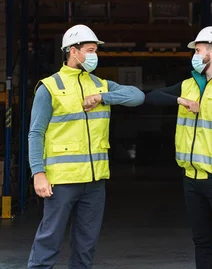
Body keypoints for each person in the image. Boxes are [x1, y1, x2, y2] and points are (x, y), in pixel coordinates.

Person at [27, 24, 145, 269]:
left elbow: (137, 96)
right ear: (73, 51)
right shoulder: (49, 87)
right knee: (49, 241)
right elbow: (36, 133)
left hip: (94, 183)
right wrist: (38, 173)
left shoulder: (100, 85)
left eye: (95, 51)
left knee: (86, 246)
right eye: (90, 50)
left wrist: (103, 97)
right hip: (61, 182)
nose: (94, 56)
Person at [145, 26, 212, 269]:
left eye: (199, 50)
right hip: (192, 180)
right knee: (201, 241)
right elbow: (152, 97)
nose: (194, 55)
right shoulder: (188, 85)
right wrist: (180, 100)